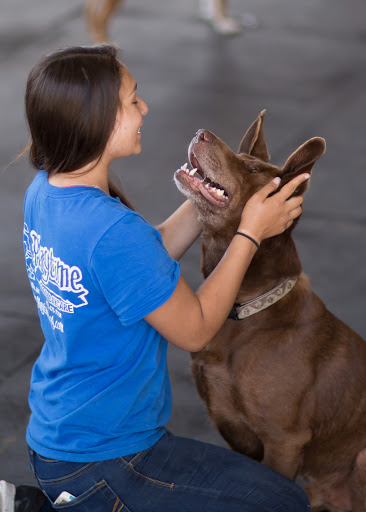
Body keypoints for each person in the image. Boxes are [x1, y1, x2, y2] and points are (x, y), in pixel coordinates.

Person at [1, 44, 311, 512]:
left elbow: (140, 263)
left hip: (57, 436)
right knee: (283, 503)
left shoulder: (45, 191)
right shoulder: (112, 231)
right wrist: (250, 231)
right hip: (108, 461)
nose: (145, 107)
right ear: (97, 119)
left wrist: (214, 190)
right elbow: (198, 327)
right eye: (132, 100)